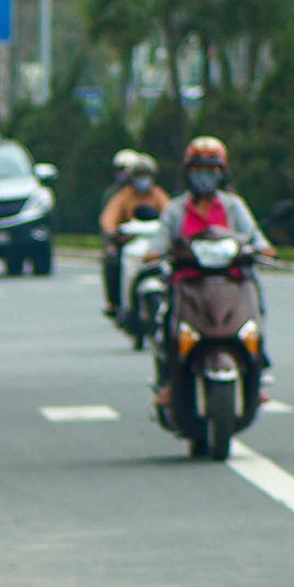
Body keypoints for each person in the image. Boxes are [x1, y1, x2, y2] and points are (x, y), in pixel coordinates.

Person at [156, 135, 277, 406]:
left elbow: (257, 239)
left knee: (255, 313)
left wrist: (263, 249)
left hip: (232, 282)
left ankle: (258, 369)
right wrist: (156, 253)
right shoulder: (176, 209)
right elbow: (158, 244)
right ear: (188, 173)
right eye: (199, 170)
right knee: (165, 321)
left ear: (222, 173)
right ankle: (168, 381)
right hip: (188, 284)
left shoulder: (234, 206)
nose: (205, 176)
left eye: (211, 170)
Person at [99, 154, 168, 316]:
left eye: (146, 176)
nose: (143, 180)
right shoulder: (124, 196)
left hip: (154, 243)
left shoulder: (158, 195)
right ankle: (119, 304)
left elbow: (169, 215)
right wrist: (111, 231)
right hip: (130, 242)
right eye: (139, 176)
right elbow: (109, 217)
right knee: (112, 261)